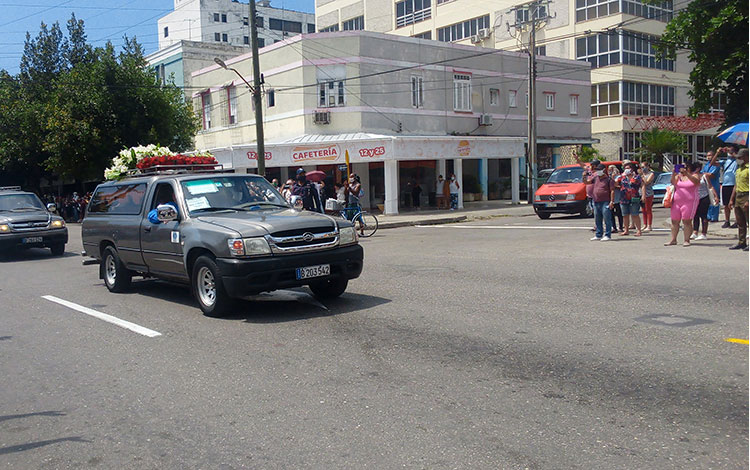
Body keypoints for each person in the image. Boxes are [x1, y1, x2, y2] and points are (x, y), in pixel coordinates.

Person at [665, 162, 700, 247]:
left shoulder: (695, 175)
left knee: (686, 221)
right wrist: (673, 174)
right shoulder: (679, 176)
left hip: (690, 201)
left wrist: (687, 174)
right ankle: (673, 239)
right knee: (674, 220)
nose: (683, 169)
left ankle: (686, 240)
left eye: (685, 167)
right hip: (677, 201)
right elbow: (673, 182)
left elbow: (696, 182)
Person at [583, 163, 615, 241]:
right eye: (597, 170)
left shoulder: (608, 179)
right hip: (596, 201)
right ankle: (598, 234)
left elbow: (612, 191)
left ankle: (607, 235)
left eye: (599, 170)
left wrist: (611, 201)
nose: (598, 172)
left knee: (607, 218)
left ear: (604, 170)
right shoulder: (596, 178)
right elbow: (587, 182)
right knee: (597, 218)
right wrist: (584, 176)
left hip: (605, 201)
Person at [728, 149, 749, 251]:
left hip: (746, 195)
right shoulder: (739, 170)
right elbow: (736, 186)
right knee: (740, 221)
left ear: (746, 156)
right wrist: (731, 199)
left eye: (740, 158)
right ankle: (742, 242)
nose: (738, 160)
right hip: (738, 196)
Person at [617, 162, 643, 237]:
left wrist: (643, 196)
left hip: (634, 198)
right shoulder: (622, 177)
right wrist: (619, 176)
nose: (626, 170)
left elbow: (641, 185)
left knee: (635, 214)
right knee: (625, 215)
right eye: (625, 168)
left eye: (628, 168)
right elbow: (616, 184)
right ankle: (626, 230)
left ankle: (638, 230)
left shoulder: (637, 177)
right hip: (623, 198)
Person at [691, 163, 712, 241]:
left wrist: (715, 196)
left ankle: (704, 233)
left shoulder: (704, 176)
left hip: (704, 197)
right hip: (695, 198)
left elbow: (710, 186)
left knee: (703, 215)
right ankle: (695, 232)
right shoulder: (691, 176)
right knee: (695, 215)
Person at [720, 145, 738, 228]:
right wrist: (718, 152)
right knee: (726, 204)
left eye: (730, 151)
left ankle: (737, 221)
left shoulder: (737, 161)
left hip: (734, 184)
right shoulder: (725, 161)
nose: (729, 153)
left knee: (735, 204)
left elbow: (741, 159)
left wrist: (733, 153)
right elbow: (713, 163)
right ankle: (727, 220)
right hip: (725, 184)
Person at [701, 149, 721, 222]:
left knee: (715, 200)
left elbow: (712, 175)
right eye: (707, 155)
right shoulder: (706, 165)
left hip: (714, 185)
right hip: (707, 185)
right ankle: (708, 216)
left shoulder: (716, 165)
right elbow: (702, 173)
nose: (708, 157)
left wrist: (705, 174)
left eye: (710, 155)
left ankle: (714, 217)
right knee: (708, 201)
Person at [639, 162, 656, 232]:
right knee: (643, 210)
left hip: (648, 193)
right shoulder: (641, 175)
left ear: (648, 167)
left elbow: (646, 182)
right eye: (641, 167)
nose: (642, 169)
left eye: (644, 167)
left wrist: (642, 176)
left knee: (648, 209)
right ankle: (645, 224)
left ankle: (649, 225)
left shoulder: (651, 174)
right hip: (641, 193)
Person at [608, 165, 623, 233]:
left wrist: (613, 178)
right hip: (611, 198)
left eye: (611, 169)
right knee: (611, 214)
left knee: (619, 213)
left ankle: (621, 226)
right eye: (609, 170)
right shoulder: (608, 177)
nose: (610, 171)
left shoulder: (619, 177)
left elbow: (618, 185)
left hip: (618, 197)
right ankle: (613, 227)